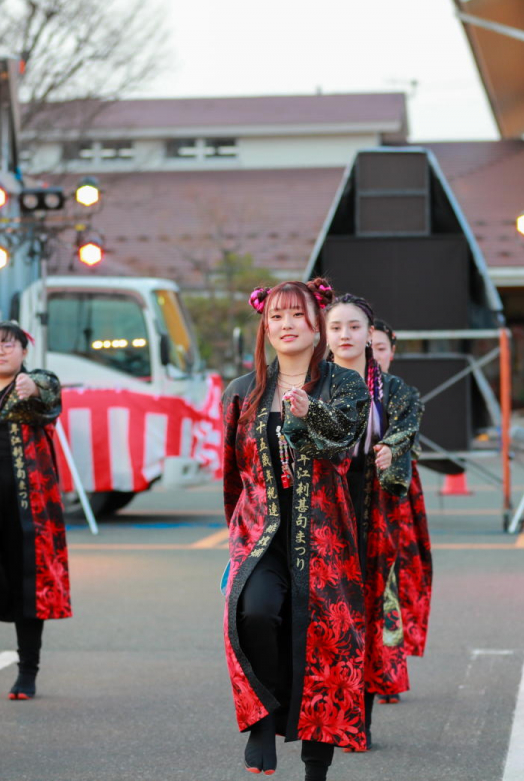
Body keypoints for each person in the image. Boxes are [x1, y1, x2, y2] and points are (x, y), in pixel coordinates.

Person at [223, 279, 370, 780]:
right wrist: (236, 541)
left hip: (324, 538)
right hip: (260, 534)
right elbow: (230, 475)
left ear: (317, 326)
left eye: (297, 316)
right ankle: (264, 718)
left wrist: (311, 414)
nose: (286, 326)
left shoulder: (344, 384)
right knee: (256, 614)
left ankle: (315, 768)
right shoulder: (241, 392)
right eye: (277, 317)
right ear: (265, 327)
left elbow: (344, 443)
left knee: (324, 646)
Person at [324, 295, 417, 747]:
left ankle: (357, 718)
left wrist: (391, 448)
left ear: (369, 334)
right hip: (322, 510)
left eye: (354, 327)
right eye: (336, 327)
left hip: (373, 510)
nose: (345, 335)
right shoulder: (310, 382)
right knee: (326, 614)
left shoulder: (395, 391)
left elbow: (406, 427)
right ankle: (321, 714)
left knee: (368, 609)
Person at [0, 322, 71, 700]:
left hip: (28, 502)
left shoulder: (33, 383)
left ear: (24, 352)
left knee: (29, 584)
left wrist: (34, 386)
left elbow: (49, 391)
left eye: (7, 345)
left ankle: (28, 670)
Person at [370, 318, 433, 705]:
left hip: (396, 499)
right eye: (368, 346)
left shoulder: (401, 395)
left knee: (394, 581)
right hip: (353, 501)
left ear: (391, 353)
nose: (373, 354)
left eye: (380, 348)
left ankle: (388, 671)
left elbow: (410, 445)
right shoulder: (333, 390)